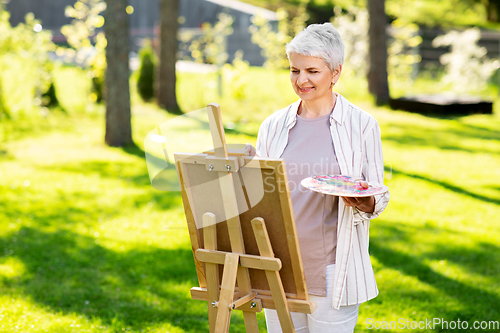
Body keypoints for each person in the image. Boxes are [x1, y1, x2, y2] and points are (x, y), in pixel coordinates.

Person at [255, 23, 390, 333]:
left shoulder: (362, 126)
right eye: (294, 70)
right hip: (279, 265)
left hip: (332, 270)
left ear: (335, 72)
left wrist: (364, 200)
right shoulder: (272, 126)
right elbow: (262, 196)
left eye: (312, 71)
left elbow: (377, 196)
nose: (301, 80)